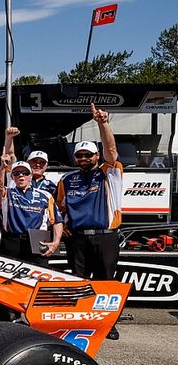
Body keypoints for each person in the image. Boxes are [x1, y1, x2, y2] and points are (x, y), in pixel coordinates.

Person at [55, 103, 123, 281]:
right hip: (77, 240)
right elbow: (58, 209)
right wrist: (62, 227)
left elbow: (111, 150)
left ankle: (104, 311)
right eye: (80, 155)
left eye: (88, 154)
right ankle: (80, 310)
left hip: (105, 237)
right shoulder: (66, 180)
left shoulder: (109, 173)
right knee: (78, 281)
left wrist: (103, 124)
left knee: (105, 282)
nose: (84, 158)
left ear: (97, 155)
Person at [0, 157, 62, 262]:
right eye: (16, 173)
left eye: (25, 173)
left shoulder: (45, 195)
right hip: (12, 240)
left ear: (30, 176)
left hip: (37, 240)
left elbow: (57, 221)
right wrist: (2, 168)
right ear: (12, 177)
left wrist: (56, 242)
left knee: (38, 276)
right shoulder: (8, 193)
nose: (21, 175)